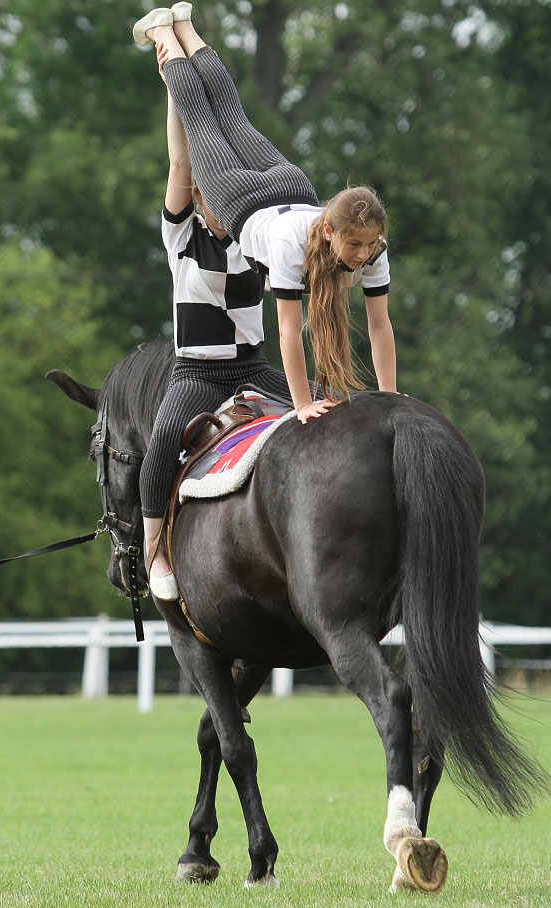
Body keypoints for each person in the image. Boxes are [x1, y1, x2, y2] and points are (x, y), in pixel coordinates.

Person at [133, 3, 397, 424]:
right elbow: (289, 332)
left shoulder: (372, 247)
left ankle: (184, 24)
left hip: (291, 187)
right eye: (354, 245)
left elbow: (380, 326)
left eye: (369, 245)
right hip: (239, 197)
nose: (363, 254)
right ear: (329, 230)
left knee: (231, 113)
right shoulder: (289, 247)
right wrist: (303, 405)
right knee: (205, 119)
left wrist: (389, 396)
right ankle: (166, 34)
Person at [140, 79, 299, 601]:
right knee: (163, 442)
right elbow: (180, 165)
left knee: (326, 404)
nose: (213, 202)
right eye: (205, 197)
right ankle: (155, 550)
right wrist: (174, 88)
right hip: (198, 372)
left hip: (252, 368)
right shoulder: (181, 236)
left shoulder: (256, 240)